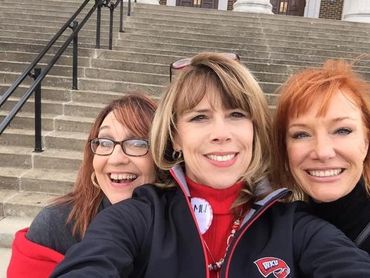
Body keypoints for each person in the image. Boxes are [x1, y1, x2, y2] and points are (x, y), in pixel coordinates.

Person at [51, 53, 370, 278]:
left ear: (255, 129)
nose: (221, 134)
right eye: (199, 117)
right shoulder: (136, 218)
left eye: (236, 115)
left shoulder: (295, 226)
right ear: (175, 136)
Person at [7, 93, 158, 278]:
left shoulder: (187, 225)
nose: (116, 158)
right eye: (104, 142)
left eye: (137, 143)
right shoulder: (56, 224)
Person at [272, 59, 370, 253]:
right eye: (301, 134)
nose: (323, 152)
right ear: (284, 148)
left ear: (366, 141)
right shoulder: (272, 227)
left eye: (342, 130)